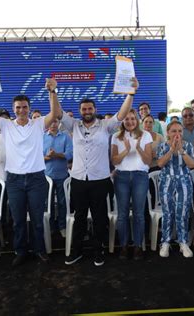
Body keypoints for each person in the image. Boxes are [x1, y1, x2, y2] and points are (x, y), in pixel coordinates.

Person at [0, 77, 61, 267]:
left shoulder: (38, 124)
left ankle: (39, 250)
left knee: (38, 220)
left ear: (29, 108)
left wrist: (52, 91)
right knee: (18, 220)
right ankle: (21, 251)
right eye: (18, 107)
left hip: (36, 179)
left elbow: (55, 113)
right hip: (14, 180)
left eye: (24, 107)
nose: (21, 110)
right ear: (13, 109)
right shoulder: (6, 125)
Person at [63, 78, 139, 266]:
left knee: (99, 218)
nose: (87, 112)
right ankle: (77, 252)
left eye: (90, 108)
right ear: (80, 111)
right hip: (79, 179)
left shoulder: (106, 126)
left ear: (94, 110)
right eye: (84, 109)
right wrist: (53, 93)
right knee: (79, 217)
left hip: (99, 180)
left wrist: (130, 94)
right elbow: (57, 114)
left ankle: (99, 251)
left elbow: (121, 114)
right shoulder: (74, 125)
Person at [111, 109, 152, 260]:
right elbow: (114, 161)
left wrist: (139, 148)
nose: (130, 122)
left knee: (139, 214)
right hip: (121, 176)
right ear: (122, 121)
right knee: (122, 214)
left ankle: (137, 246)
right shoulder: (116, 136)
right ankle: (123, 246)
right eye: (127, 119)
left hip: (140, 176)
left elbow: (148, 161)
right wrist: (126, 150)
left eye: (133, 119)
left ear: (137, 120)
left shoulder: (145, 135)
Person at [157, 121, 194, 258]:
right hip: (166, 182)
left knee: (183, 212)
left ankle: (183, 242)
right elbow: (160, 163)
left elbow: (192, 165)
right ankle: (166, 242)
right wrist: (172, 150)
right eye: (174, 131)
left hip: (184, 181)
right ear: (168, 132)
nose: (177, 134)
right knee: (167, 212)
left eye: (180, 131)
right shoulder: (162, 146)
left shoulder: (188, 146)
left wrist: (181, 151)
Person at [43, 118, 73, 238]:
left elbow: (70, 154)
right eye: (50, 122)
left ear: (59, 123)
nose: (53, 124)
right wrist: (48, 157)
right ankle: (50, 227)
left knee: (62, 202)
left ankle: (62, 226)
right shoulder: (41, 137)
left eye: (55, 122)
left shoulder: (65, 137)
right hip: (46, 177)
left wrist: (57, 155)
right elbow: (36, 156)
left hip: (62, 176)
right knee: (47, 203)